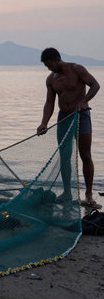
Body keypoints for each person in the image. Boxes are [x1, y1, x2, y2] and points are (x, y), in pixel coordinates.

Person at [36, 47, 101, 208]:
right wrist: (44, 122)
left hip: (81, 116)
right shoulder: (51, 79)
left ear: (58, 59)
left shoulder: (76, 69)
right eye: (46, 66)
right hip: (63, 118)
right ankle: (67, 192)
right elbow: (49, 102)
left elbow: (95, 85)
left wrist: (84, 100)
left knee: (85, 155)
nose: (48, 68)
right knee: (64, 156)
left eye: (50, 64)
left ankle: (88, 194)